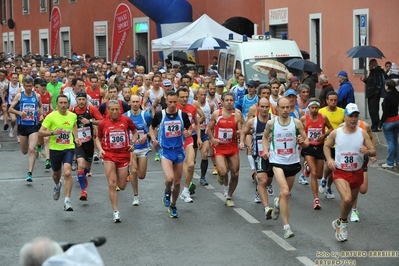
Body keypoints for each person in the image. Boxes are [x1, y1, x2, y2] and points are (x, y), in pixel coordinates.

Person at [324, 103, 376, 242]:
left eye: (355, 116)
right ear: (345, 117)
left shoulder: (362, 132)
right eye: (350, 116)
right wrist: (329, 160)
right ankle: (344, 225)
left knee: (350, 201)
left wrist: (368, 151)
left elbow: (373, 150)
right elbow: (327, 146)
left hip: (357, 171)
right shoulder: (337, 133)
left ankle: (340, 221)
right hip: (340, 171)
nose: (353, 119)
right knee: (346, 199)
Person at [262, 97, 309, 238]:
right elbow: (265, 137)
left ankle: (277, 202)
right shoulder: (272, 123)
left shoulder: (296, 123)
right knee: (286, 192)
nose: (285, 110)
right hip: (277, 161)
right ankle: (287, 227)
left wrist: (303, 142)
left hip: (293, 162)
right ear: (277, 108)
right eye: (282, 107)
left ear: (291, 108)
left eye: (287, 107)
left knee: (284, 195)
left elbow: (306, 141)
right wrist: (266, 150)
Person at [148, 91, 191, 218]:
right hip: (165, 151)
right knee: (169, 179)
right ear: (166, 101)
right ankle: (167, 191)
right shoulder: (160, 115)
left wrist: (187, 133)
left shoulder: (182, 115)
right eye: (170, 102)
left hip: (178, 150)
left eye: (174, 102)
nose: (172, 104)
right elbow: (151, 128)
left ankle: (173, 205)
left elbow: (189, 128)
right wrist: (153, 139)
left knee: (177, 183)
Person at [96, 100, 138, 222]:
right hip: (109, 155)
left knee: (122, 186)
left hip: (123, 155)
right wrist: (100, 150)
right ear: (108, 110)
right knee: (112, 183)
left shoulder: (126, 120)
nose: (115, 112)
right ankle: (116, 211)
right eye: (112, 110)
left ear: (119, 109)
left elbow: (135, 132)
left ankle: (126, 175)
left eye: (116, 109)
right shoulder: (103, 123)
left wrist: (132, 143)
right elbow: (97, 139)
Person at [39, 94, 81, 211]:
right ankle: (57, 185)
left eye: (65, 103)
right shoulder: (51, 117)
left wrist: (76, 137)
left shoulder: (73, 116)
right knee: (56, 174)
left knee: (67, 172)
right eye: (61, 103)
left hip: (68, 147)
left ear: (68, 104)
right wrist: (53, 132)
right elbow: (40, 132)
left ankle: (67, 200)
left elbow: (74, 126)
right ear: (56, 104)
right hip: (55, 149)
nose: (63, 105)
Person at [207, 92, 245, 207]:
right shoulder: (216, 114)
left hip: (232, 147)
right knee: (223, 171)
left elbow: (242, 129)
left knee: (236, 174)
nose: (229, 102)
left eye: (231, 100)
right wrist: (213, 139)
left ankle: (229, 195)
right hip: (220, 148)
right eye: (227, 100)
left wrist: (241, 139)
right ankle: (223, 179)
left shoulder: (237, 114)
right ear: (222, 102)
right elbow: (208, 129)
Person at [240, 97, 274, 215]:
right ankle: (266, 208)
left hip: (272, 155)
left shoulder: (274, 119)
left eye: (266, 107)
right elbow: (244, 131)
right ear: (258, 107)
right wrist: (242, 142)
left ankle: (259, 186)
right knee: (263, 180)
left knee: (268, 181)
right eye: (262, 107)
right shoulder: (253, 121)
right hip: (258, 154)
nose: (264, 109)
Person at [9, 76, 44, 181]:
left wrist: (41, 115)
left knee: (32, 150)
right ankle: (29, 146)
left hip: (33, 126)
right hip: (22, 126)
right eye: (27, 86)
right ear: (23, 86)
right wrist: (19, 112)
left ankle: (29, 173)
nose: (29, 88)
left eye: (30, 86)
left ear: (33, 86)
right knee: (24, 151)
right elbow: (10, 109)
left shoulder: (37, 96)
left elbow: (40, 106)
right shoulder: (19, 96)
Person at [300, 98, 333, 209]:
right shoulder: (304, 119)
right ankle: (316, 199)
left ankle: (307, 167)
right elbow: (297, 131)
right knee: (314, 173)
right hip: (308, 148)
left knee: (319, 175)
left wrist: (324, 135)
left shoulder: (323, 117)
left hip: (320, 147)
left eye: (316, 108)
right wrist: (301, 140)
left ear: (319, 108)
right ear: (308, 108)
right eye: (312, 108)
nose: (314, 110)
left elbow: (331, 128)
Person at [71, 92, 103, 201]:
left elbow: (101, 121)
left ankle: (83, 176)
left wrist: (89, 121)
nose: (81, 102)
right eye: (79, 99)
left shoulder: (91, 109)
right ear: (76, 100)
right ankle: (83, 191)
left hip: (89, 143)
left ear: (86, 100)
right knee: (80, 164)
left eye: (83, 99)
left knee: (87, 168)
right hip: (78, 142)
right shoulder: (72, 111)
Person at [176, 87, 204, 202]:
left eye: (186, 96)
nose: (184, 99)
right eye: (182, 97)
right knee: (183, 166)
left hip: (188, 140)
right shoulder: (173, 108)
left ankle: (186, 190)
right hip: (176, 142)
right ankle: (184, 187)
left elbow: (196, 123)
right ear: (177, 97)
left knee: (191, 165)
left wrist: (198, 137)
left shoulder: (192, 108)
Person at [125, 95, 153, 206]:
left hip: (143, 148)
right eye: (133, 102)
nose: (135, 104)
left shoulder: (146, 115)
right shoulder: (125, 116)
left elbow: (153, 129)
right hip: (131, 148)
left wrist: (147, 135)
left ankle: (132, 176)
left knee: (141, 175)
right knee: (134, 171)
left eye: (137, 101)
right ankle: (135, 196)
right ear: (130, 103)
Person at [318, 91, 345, 199]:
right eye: (331, 100)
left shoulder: (342, 112)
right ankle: (324, 178)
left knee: (336, 167)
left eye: (335, 100)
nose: (333, 102)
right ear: (327, 101)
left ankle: (328, 186)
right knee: (330, 164)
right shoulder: (321, 111)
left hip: (339, 143)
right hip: (326, 143)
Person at [195, 87, 215, 186]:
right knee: (192, 159)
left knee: (204, 153)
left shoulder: (209, 105)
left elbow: (212, 118)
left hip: (204, 132)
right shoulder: (194, 105)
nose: (203, 97)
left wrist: (210, 128)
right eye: (201, 95)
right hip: (194, 133)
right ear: (197, 95)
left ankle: (202, 177)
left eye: (204, 95)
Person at [378, 79, 399, 169]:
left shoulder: (387, 97)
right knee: (395, 142)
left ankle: (390, 163)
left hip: (389, 122)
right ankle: (397, 161)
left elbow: (385, 112)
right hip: (397, 120)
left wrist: (380, 124)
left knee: (390, 143)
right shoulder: (397, 94)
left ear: (387, 86)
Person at [361, 59, 386, 132]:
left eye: (369, 65)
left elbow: (378, 83)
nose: (369, 67)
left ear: (373, 64)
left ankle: (376, 125)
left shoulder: (377, 71)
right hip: (371, 93)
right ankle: (374, 124)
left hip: (374, 94)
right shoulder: (373, 72)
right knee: (372, 110)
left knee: (374, 110)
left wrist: (376, 91)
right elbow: (371, 82)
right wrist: (365, 80)